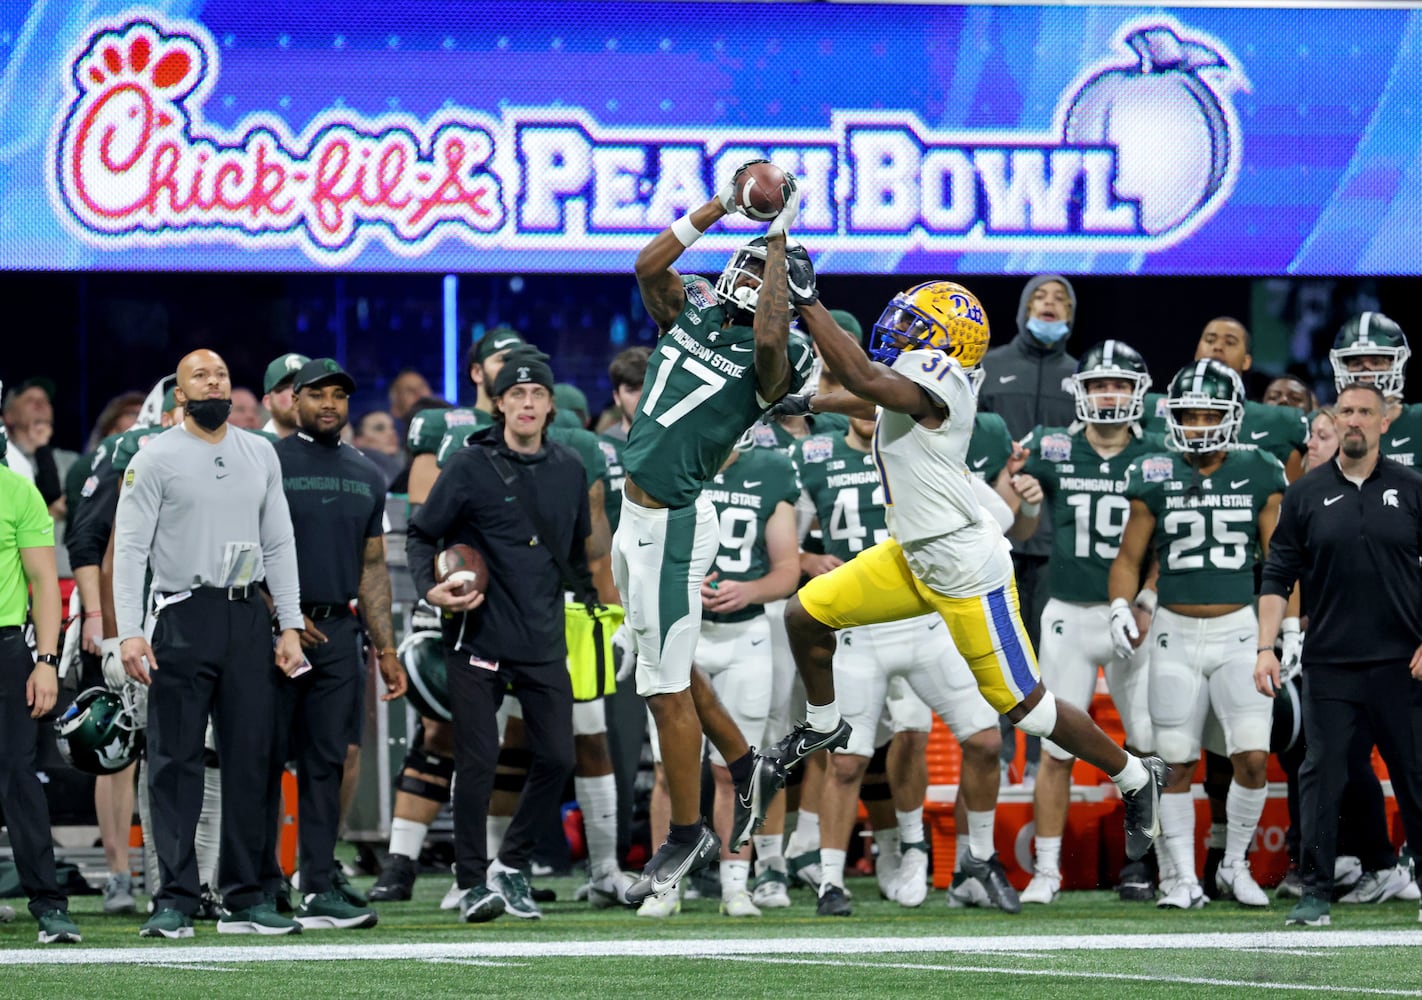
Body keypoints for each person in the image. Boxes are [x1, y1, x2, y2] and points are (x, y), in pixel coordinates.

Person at [765, 281, 1167, 898]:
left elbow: (870, 385)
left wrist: (808, 302)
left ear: (946, 343)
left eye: (913, 325)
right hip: (912, 555)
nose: (898, 331)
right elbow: (866, 398)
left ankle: (1136, 775)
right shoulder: (916, 379)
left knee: (1027, 710)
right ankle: (822, 722)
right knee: (804, 613)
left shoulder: (943, 377)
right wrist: (804, 399)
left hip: (965, 567)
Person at [618, 159, 819, 904]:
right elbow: (647, 265)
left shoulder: (780, 353)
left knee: (664, 687)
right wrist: (721, 205)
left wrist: (777, 239)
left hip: (674, 523)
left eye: (761, 272)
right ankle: (742, 758)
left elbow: (771, 345)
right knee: (659, 672)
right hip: (634, 516)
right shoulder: (691, 310)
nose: (744, 276)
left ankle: (689, 829)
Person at [792, 390, 1017, 916]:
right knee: (846, 760)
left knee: (984, 740)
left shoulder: (923, 450)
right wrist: (806, 557)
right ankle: (831, 880)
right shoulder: (820, 460)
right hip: (859, 630)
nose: (868, 411)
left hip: (927, 621)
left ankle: (974, 863)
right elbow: (786, 539)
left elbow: (1000, 515)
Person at [114, 348, 307, 938]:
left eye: (222, 373)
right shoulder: (154, 459)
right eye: (201, 375)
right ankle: (173, 898)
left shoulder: (259, 452)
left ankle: (246, 896)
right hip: (180, 614)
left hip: (247, 613)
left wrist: (291, 624)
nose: (214, 382)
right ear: (180, 393)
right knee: (174, 761)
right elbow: (130, 549)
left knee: (253, 758)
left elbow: (279, 541)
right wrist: (129, 630)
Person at [406, 349, 591, 923]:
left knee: (559, 758)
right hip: (477, 635)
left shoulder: (570, 469)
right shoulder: (468, 465)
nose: (528, 403)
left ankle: (510, 866)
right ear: (500, 403)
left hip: (543, 638)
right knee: (477, 762)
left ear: (550, 405)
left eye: (537, 394)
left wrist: (603, 613)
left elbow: (577, 557)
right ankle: (470, 883)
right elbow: (420, 536)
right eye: (517, 394)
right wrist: (429, 591)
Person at [1108, 358, 1286, 910]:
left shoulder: (1260, 468)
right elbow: (1129, 557)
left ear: (1233, 415)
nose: (1201, 422)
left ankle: (1233, 864)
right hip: (1175, 632)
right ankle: (1180, 876)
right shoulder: (1153, 470)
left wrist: (1287, 630)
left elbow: (1279, 562)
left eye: (1211, 411)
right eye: (1189, 412)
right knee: (1176, 760)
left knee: (1252, 757)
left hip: (1238, 629)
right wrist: (1119, 603)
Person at [1256, 382, 1422, 928]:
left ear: (1382, 423)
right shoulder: (1303, 494)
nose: (1354, 420)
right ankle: (1315, 893)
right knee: (1320, 775)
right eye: (1345, 411)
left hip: (1403, 661)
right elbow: (1278, 574)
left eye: (1364, 412)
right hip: (1329, 662)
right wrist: (1266, 647)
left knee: (1415, 776)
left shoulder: (1413, 487)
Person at [1006, 340, 1162, 905]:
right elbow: (1022, 532)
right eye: (1098, 384)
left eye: (1119, 383)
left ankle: (1146, 866)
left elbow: (1175, 540)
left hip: (1135, 618)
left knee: (1146, 746)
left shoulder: (1160, 454)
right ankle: (1046, 869)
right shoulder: (1049, 447)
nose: (1109, 393)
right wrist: (1025, 502)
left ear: (1138, 392)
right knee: (1056, 748)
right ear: (1082, 391)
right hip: (1070, 613)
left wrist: (1145, 597)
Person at [271, 359, 408, 930]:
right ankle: (258, 881)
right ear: (293, 400)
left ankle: (318, 882)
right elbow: (245, 548)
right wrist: (281, 614)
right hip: (272, 632)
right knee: (261, 760)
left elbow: (373, 567)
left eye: (338, 396)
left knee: (329, 762)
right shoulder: (266, 463)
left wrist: (386, 648)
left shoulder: (367, 473)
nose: (329, 404)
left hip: (339, 630)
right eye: (317, 394)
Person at [977, 275, 1080, 786]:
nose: (1050, 305)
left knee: (1044, 652)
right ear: (1022, 309)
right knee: (997, 646)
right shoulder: (990, 367)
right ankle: (999, 752)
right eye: (1041, 298)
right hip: (993, 532)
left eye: (1061, 300)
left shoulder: (1081, 379)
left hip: (1056, 540)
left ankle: (1041, 757)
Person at [0, 455, 81, 943]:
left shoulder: (18, 490)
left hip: (6, 646)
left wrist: (46, 661)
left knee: (17, 776)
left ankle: (48, 904)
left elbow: (46, 584)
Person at [262, 353, 310, 439]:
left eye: (306, 386)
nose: (297, 394)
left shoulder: (336, 449)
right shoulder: (252, 449)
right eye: (286, 388)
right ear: (268, 402)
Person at [352, 410, 404, 487]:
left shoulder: (409, 465)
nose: (392, 433)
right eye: (379, 428)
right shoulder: (353, 474)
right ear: (358, 440)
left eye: (392, 427)